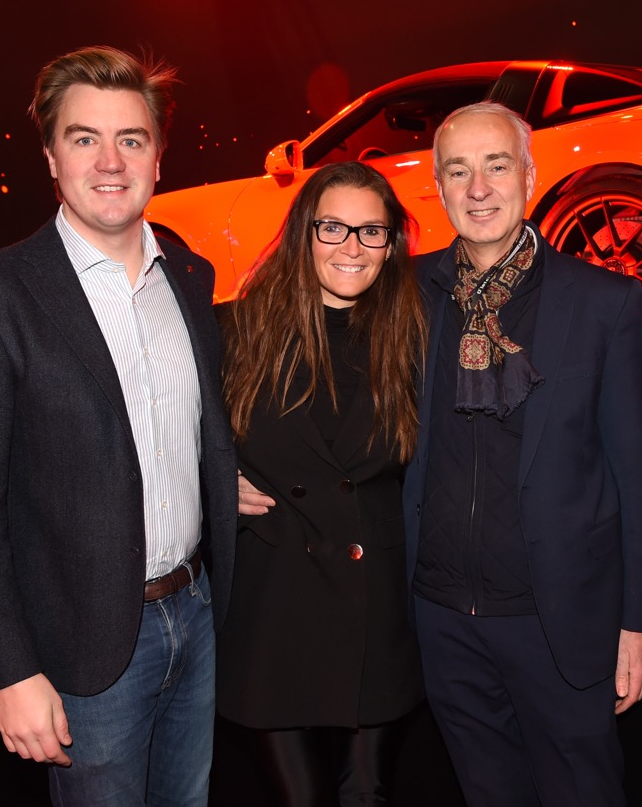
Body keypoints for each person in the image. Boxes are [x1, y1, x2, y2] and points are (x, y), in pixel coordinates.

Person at [0, 46, 237, 806]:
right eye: (83, 138)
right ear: (51, 158)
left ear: (158, 158)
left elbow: (186, 432)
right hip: (81, 647)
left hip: (196, 615)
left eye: (130, 138)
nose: (109, 161)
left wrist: (232, 478)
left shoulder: (189, 278)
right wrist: (10, 669)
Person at [401, 101, 642, 806]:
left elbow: (632, 475)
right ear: (439, 186)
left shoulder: (604, 302)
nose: (479, 188)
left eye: (496, 165)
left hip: (560, 622)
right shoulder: (408, 293)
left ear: (529, 174)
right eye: (459, 171)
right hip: (443, 619)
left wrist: (637, 622)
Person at [218, 161, 427, 805]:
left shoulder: (414, 335)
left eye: (371, 231)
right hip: (275, 606)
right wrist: (211, 478)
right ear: (303, 232)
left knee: (367, 793)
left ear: (391, 244)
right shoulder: (236, 331)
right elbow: (160, 435)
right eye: (332, 227)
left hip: (375, 610)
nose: (351, 247)